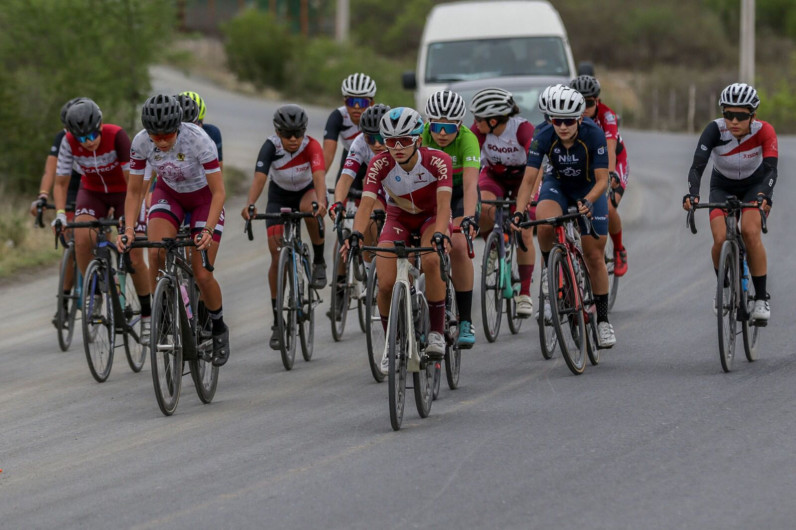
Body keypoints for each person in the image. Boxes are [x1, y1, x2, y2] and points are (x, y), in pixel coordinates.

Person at [118, 94, 230, 366]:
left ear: (178, 126)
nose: (163, 141)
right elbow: (133, 192)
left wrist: (209, 229)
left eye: (168, 134)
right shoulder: (141, 142)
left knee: (202, 273)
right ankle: (166, 314)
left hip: (204, 199)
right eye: (156, 136)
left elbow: (219, 192)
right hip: (170, 194)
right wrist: (130, 229)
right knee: (156, 254)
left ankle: (218, 328)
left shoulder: (199, 139)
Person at [342, 107, 453, 371]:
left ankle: (437, 331)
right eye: (391, 141)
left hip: (431, 217)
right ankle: (394, 343)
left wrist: (440, 234)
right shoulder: (379, 163)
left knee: (430, 260)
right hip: (398, 219)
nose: (398, 147)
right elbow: (366, 204)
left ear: (418, 139)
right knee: (386, 282)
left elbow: (445, 203)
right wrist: (356, 234)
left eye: (405, 140)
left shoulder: (439, 161)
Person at [515, 86, 616, 347]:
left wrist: (589, 201)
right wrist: (519, 210)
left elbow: (603, 180)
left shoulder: (593, 134)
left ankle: (603, 321)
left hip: (588, 189)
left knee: (594, 255)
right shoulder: (543, 134)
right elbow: (528, 179)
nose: (562, 126)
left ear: (580, 119)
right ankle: (551, 270)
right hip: (557, 186)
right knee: (546, 224)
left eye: (568, 121)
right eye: (556, 120)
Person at [53, 99, 152, 338]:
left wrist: (128, 222)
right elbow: (61, 182)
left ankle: (148, 315)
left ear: (99, 126)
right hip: (93, 193)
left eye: (91, 136)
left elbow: (134, 184)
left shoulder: (116, 135)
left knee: (135, 254)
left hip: (124, 193)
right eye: (81, 139)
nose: (87, 143)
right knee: (81, 236)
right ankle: (95, 292)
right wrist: (59, 215)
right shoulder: (68, 142)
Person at [682, 82, 775, 321]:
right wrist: (693, 194)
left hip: (754, 187)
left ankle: (762, 298)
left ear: (753, 116)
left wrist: (765, 195)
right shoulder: (715, 130)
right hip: (721, 186)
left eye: (740, 116)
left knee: (750, 232)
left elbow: (771, 170)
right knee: (720, 238)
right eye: (728, 114)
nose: (733, 121)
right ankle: (723, 288)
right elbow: (697, 166)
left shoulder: (764, 131)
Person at [241, 104, 327, 350]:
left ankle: (319, 261)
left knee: (311, 208)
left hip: (306, 192)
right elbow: (260, 178)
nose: (292, 139)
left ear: (304, 132)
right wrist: (250, 204)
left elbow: (319, 175)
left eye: (297, 134)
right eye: (287, 134)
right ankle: (278, 321)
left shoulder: (311, 146)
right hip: (278, 197)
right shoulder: (270, 146)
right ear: (277, 132)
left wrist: (321, 202)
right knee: (277, 257)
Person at [421, 89, 480, 348]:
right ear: (428, 124)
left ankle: (465, 319)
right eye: (436, 126)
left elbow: (470, 185)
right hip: (431, 192)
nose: (442, 133)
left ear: (459, 125)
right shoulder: (421, 136)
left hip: (458, 193)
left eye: (448, 127)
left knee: (457, 246)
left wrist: (468, 217)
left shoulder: (468, 140)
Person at [470, 87, 536, 317]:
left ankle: (525, 293)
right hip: (494, 176)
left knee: (525, 230)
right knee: (484, 209)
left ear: (494, 120)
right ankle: (494, 246)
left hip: (522, 178)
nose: (475, 122)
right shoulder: (479, 131)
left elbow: (535, 167)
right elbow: (469, 163)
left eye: (478, 118)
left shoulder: (522, 130)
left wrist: (528, 201)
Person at [328, 103, 390, 320]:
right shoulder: (359, 144)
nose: (378, 144)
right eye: (371, 139)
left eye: (382, 138)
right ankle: (370, 272)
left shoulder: (399, 141)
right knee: (370, 216)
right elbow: (345, 177)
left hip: (402, 188)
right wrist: (337, 202)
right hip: (377, 188)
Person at [31, 97, 86, 328]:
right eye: (66, 128)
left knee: (100, 235)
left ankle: (105, 283)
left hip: (94, 188)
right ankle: (64, 302)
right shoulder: (63, 138)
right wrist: (43, 195)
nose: (70, 132)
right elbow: (50, 170)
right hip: (71, 190)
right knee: (73, 245)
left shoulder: (94, 137)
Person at [570, 75, 630, 276]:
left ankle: (619, 249)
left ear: (598, 101)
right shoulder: (570, 118)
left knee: (609, 207)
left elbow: (611, 149)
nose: (584, 108)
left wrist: (611, 174)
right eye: (580, 102)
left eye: (589, 103)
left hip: (614, 160)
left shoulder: (607, 116)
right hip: (588, 164)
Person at [323, 73, 376, 192]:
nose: (356, 107)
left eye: (362, 103)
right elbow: (327, 156)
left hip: (373, 161)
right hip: (349, 157)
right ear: (344, 102)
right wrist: (316, 185)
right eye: (352, 101)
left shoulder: (378, 117)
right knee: (339, 200)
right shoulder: (338, 116)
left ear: (371, 104)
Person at [178, 91, 224, 169]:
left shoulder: (213, 132)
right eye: (183, 124)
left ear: (202, 120)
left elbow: (218, 167)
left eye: (195, 124)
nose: (189, 129)